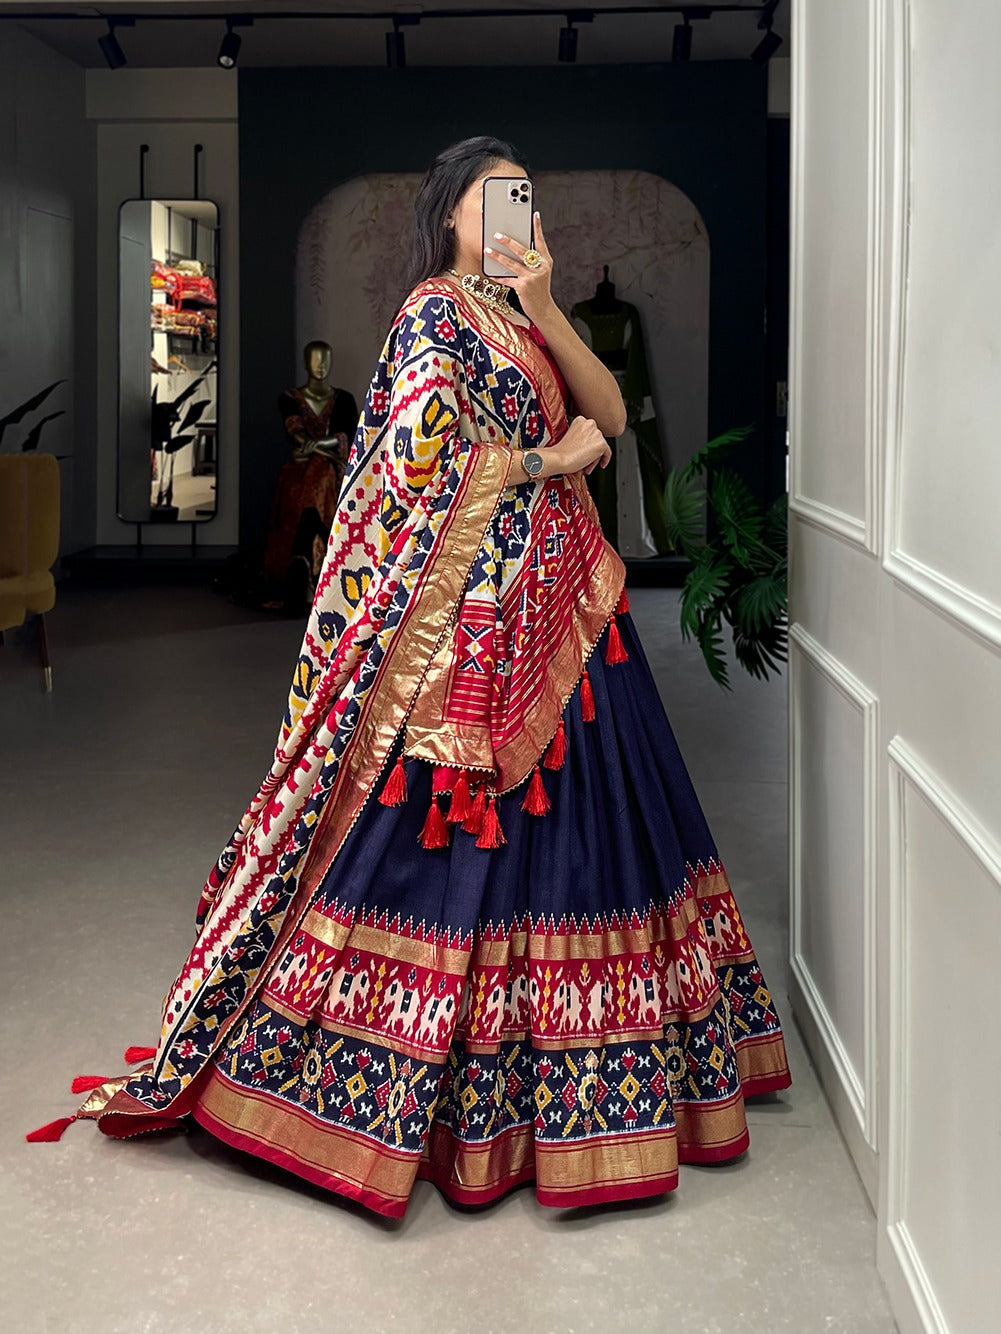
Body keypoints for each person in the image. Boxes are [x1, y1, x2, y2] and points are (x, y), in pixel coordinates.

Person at [28, 136, 792, 1218]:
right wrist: (548, 461)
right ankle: (408, 1088)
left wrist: (548, 307)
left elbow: (614, 420)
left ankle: (592, 1080)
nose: (513, 210)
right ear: (448, 214)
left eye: (523, 194)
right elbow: (406, 468)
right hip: (467, 616)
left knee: (600, 826)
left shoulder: (522, 312)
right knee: (451, 832)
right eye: (492, 196)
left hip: (565, 604)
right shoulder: (432, 316)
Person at [262, 342, 359, 612]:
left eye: (325, 359)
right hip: (300, 473)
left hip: (331, 472)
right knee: (316, 472)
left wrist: (317, 446)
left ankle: (305, 565)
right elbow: (295, 432)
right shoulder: (290, 398)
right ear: (306, 362)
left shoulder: (344, 399)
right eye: (315, 359)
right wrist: (319, 446)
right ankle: (307, 568)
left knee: (321, 469)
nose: (321, 365)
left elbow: (349, 435)